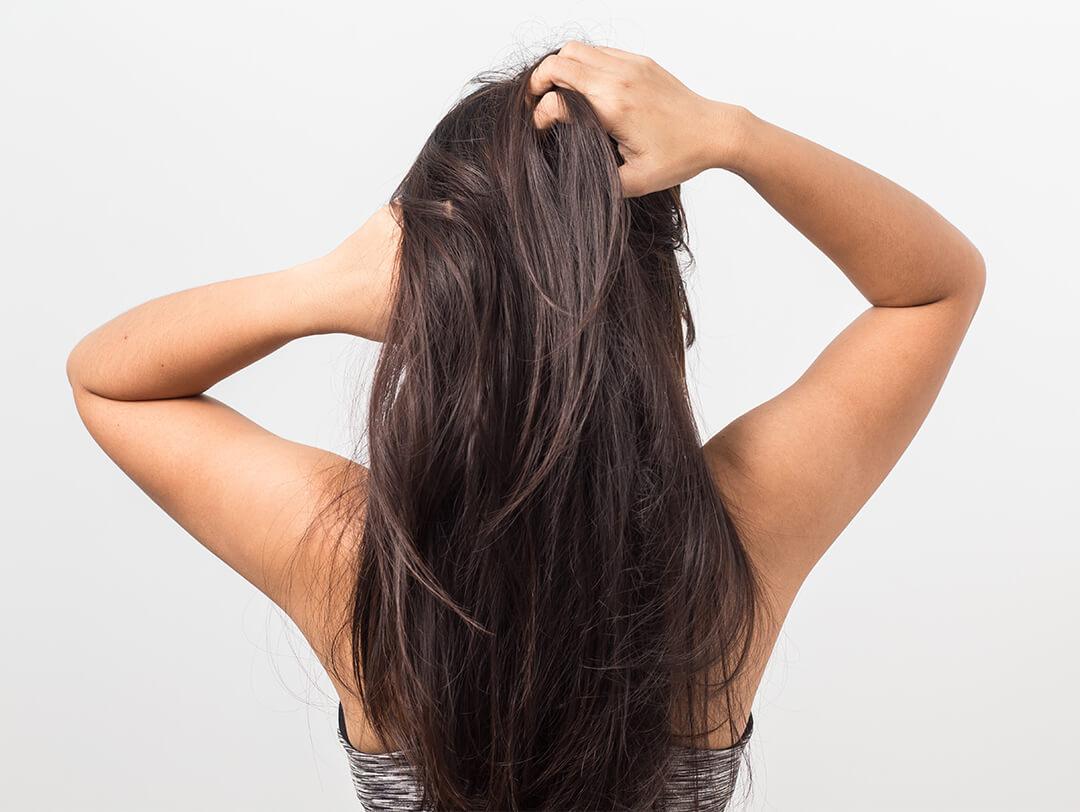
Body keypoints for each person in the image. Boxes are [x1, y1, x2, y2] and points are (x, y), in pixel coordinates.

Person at [66, 41, 985, 811]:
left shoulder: (361, 565)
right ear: (655, 292)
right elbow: (934, 289)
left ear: (428, 302)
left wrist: (323, 286)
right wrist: (731, 137)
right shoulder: (732, 544)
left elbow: (110, 382)